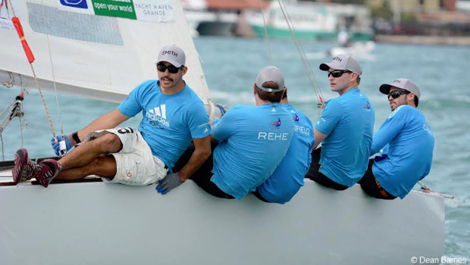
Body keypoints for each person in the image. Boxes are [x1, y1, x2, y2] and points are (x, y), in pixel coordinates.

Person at [12, 44, 212, 188]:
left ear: (183, 70)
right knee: (105, 140)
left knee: (95, 165)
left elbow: (203, 151)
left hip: (154, 161)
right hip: (138, 139)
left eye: (172, 69)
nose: (166, 73)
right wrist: (73, 138)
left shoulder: (193, 107)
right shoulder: (147, 89)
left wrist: (181, 177)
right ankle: (47, 168)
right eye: (162, 67)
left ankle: (38, 171)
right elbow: (113, 118)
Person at [157, 66, 295, 200]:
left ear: (254, 88)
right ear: (283, 92)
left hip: (217, 185)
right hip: (244, 189)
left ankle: (153, 175)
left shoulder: (241, 113)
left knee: (187, 144)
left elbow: (206, 137)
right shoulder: (289, 121)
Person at [305, 54, 375, 190]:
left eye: (337, 74)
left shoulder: (337, 104)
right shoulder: (367, 103)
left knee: (292, 154)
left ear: (353, 76)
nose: (331, 77)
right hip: (355, 175)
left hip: (333, 177)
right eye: (329, 74)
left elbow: (310, 145)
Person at [359, 78, 434, 199]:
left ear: (411, 96)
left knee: (332, 160)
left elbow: (372, 147)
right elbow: (425, 170)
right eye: (388, 95)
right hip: (393, 193)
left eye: (395, 94)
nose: (390, 98)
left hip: (377, 182)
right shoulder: (426, 127)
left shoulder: (404, 110)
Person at [253, 89, 314, 204]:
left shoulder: (267, 116)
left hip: (266, 192)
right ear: (284, 91)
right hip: (290, 192)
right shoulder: (305, 119)